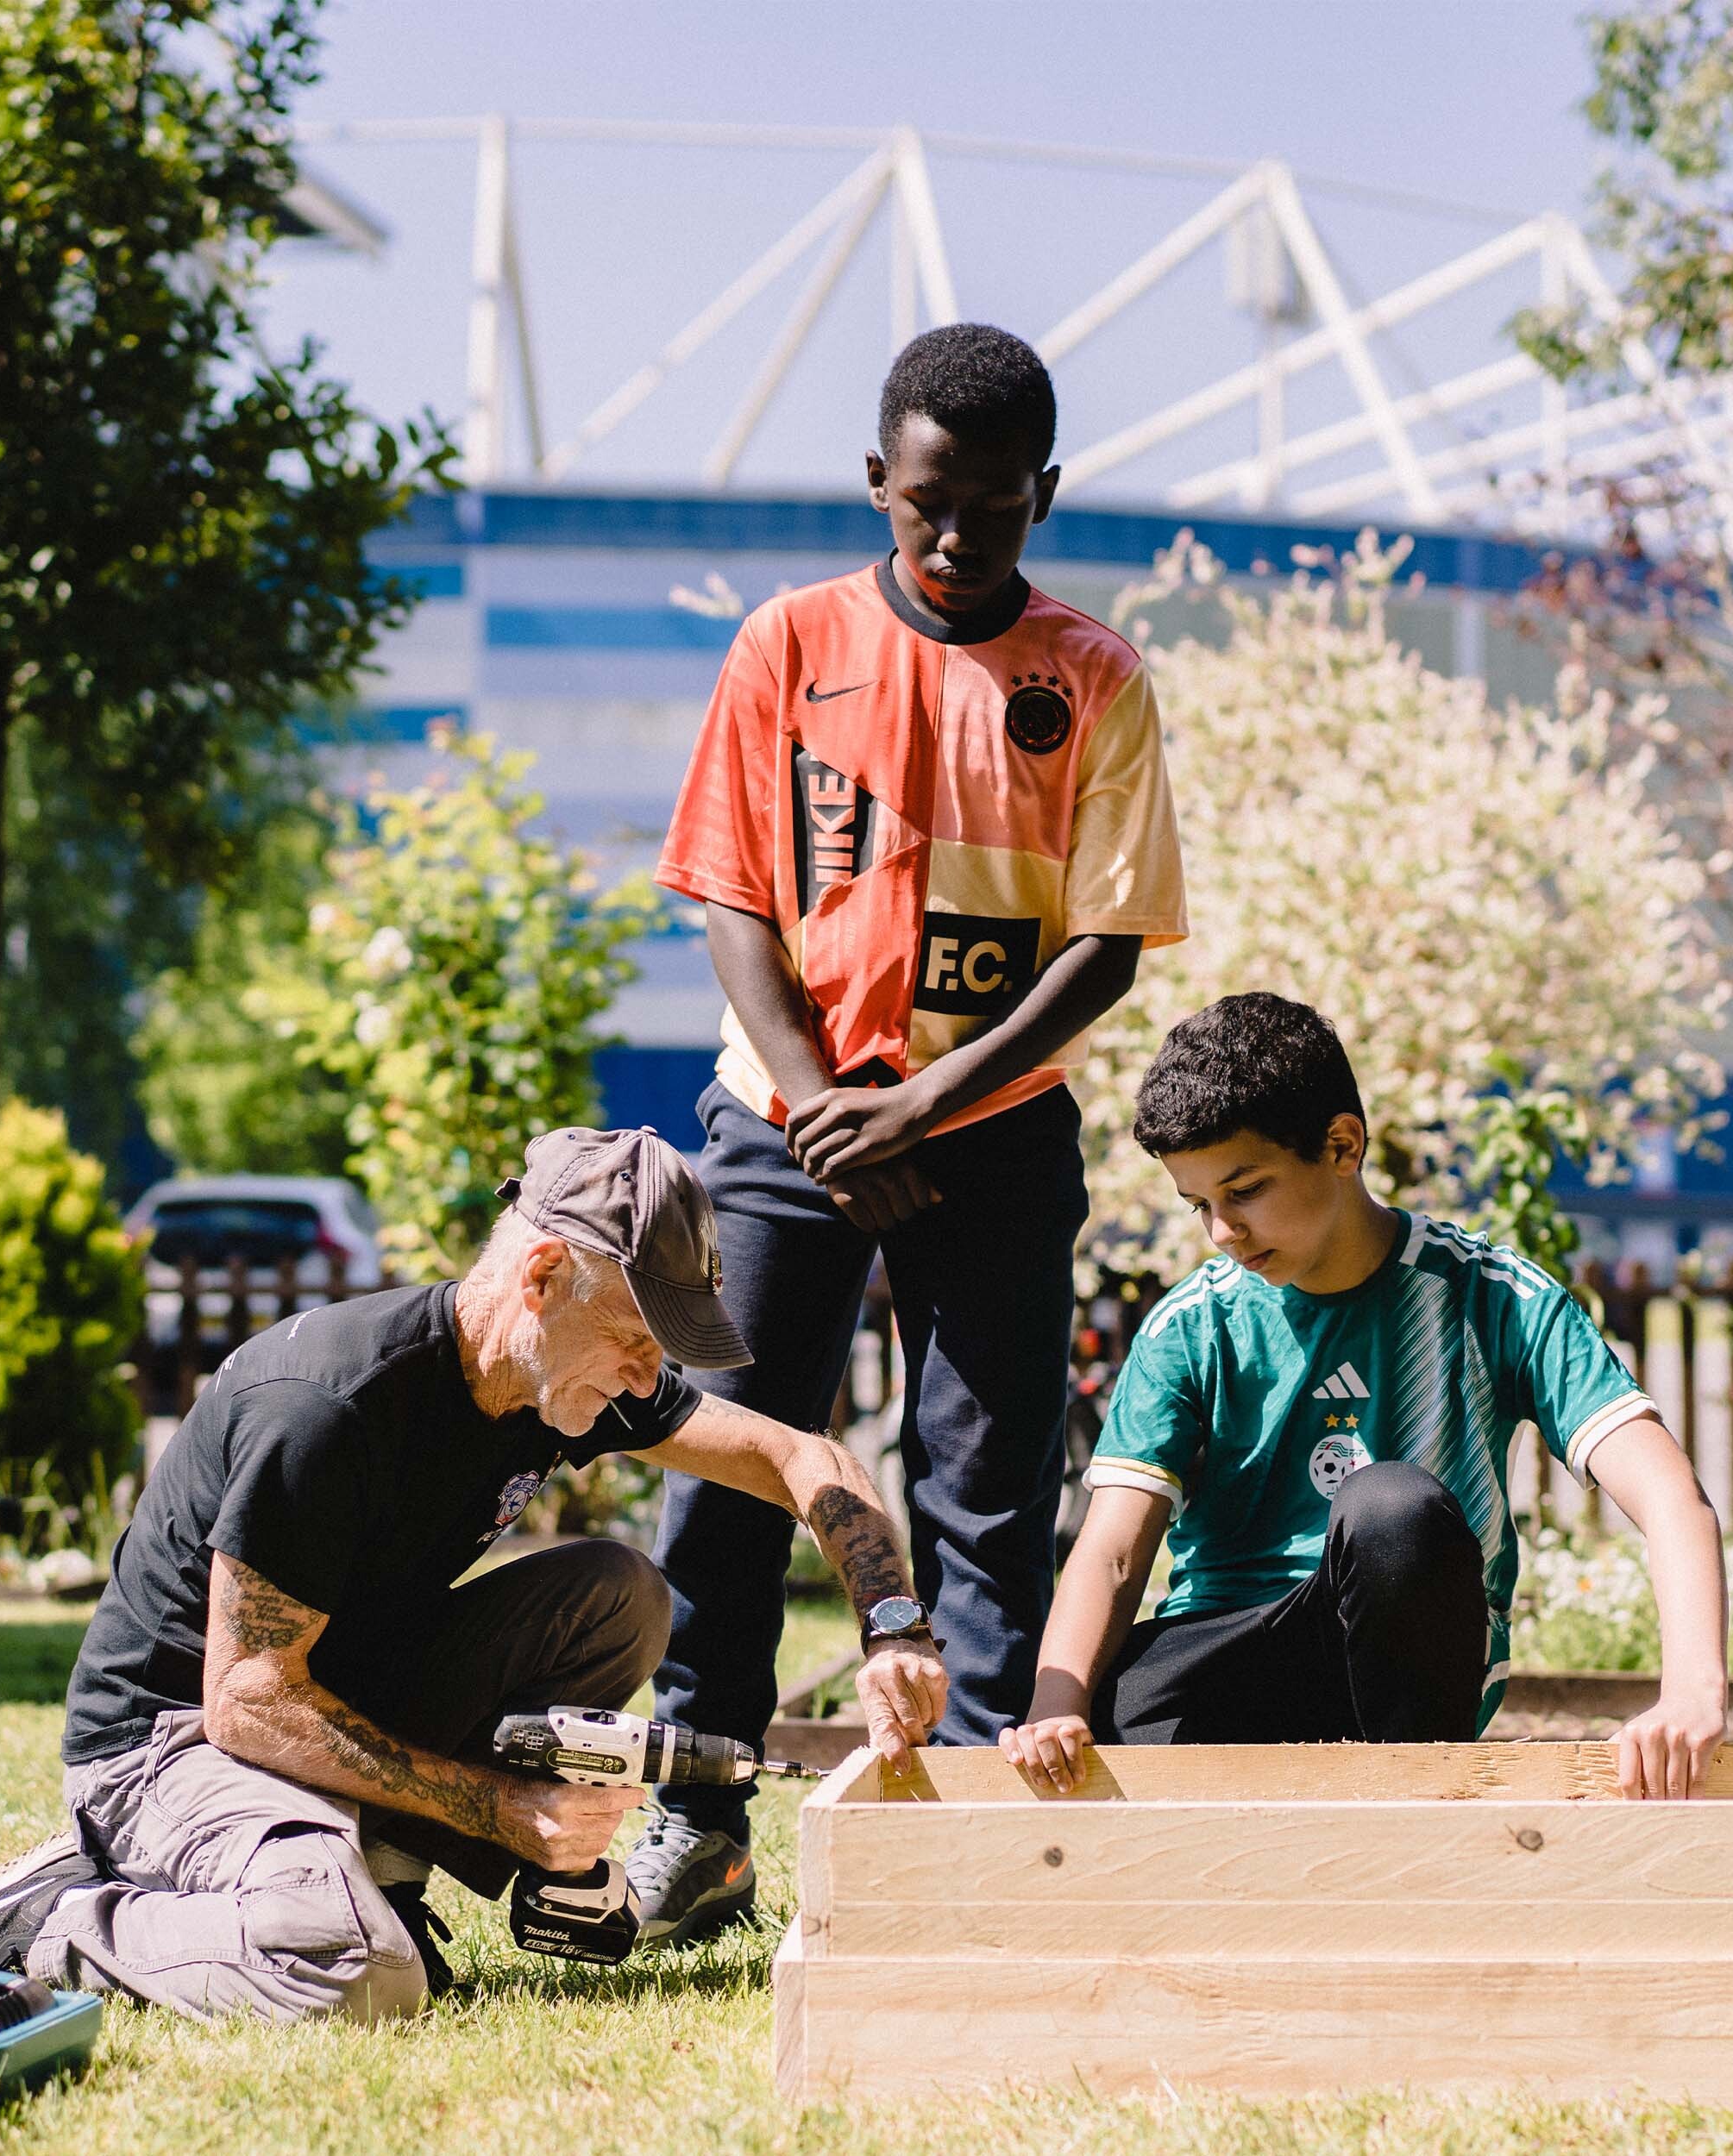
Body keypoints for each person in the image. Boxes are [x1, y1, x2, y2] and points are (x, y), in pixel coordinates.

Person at [0, 1126, 945, 2021]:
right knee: (358, 1975)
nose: (645, 1375)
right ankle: (52, 1919)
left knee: (617, 1595)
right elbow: (246, 1702)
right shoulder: (328, 1408)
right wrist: (502, 1811)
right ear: (540, 1278)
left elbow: (805, 1456)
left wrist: (893, 1624)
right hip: (170, 1743)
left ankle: (378, 1877)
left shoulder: (553, 1373)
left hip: (323, 1692)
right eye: (634, 1338)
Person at [633, 321, 1189, 1943]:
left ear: (1047, 497)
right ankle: (699, 1814)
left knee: (987, 1486)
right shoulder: (787, 645)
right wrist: (822, 1105)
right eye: (929, 501)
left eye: (998, 507)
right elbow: (737, 892)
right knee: (735, 1477)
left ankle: (971, 1832)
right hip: (783, 1132)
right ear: (879, 481)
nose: (957, 538)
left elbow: (1107, 937)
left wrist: (928, 1102)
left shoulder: (1094, 680)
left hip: (990, 1136)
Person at [1000, 994, 1730, 1802]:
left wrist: (1693, 1695)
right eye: (1199, 1203)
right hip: (1237, 1653)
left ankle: (1409, 1807)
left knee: (1391, 1506)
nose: (1221, 1231)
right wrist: (1056, 1708)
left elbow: (1671, 1496)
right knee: (1118, 1695)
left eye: (1245, 1190)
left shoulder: (1494, 1296)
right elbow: (1111, 1547)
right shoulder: (1191, 1324)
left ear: (1342, 1145)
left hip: (1407, 1667)